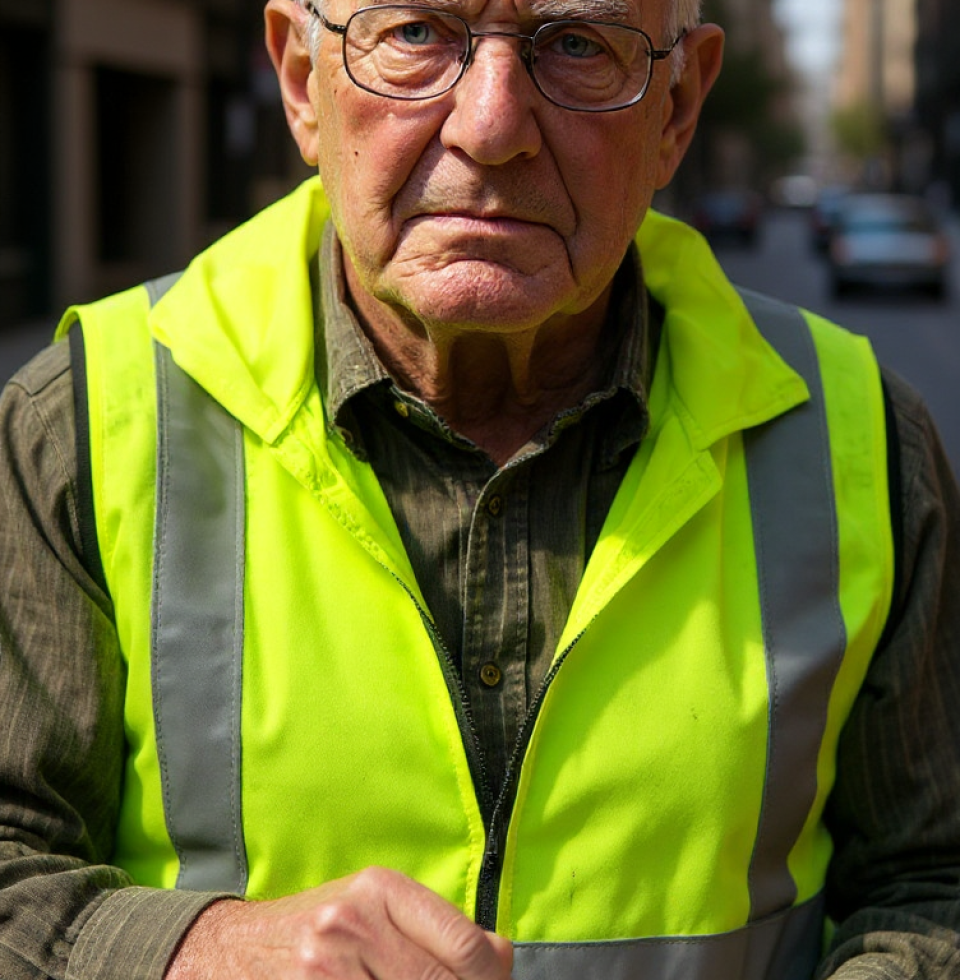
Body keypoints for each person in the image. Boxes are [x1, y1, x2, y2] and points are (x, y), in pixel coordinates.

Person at [1, 0, 959, 975]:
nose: (491, 126)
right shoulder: (82, 426)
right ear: (301, 77)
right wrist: (187, 951)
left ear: (678, 105)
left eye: (578, 44)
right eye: (414, 34)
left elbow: (934, 884)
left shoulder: (862, 444)